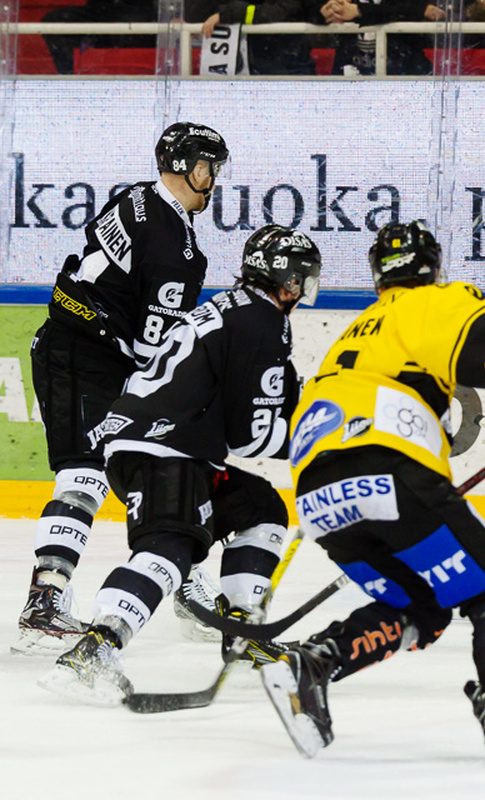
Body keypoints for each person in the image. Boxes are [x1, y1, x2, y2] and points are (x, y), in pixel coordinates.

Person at [259, 221, 485, 765]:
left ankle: (315, 662)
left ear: (378, 277)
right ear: (433, 269)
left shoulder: (358, 331)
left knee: (424, 605)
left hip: (319, 495)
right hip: (387, 474)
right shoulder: (431, 301)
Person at [38, 225, 321, 705]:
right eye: (303, 279)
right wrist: (315, 446)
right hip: (165, 447)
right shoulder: (261, 322)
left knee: (260, 509)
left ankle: (242, 629)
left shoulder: (236, 309)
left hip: (157, 444)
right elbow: (249, 436)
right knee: (171, 547)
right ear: (290, 281)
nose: (303, 290)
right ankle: (96, 647)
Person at [15, 122, 229, 656]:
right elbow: (155, 346)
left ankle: (181, 581)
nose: (212, 180)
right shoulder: (176, 250)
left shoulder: (135, 197)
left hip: (70, 344)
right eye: (206, 168)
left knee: (149, 462)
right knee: (92, 472)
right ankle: (44, 601)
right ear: (182, 168)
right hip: (88, 357)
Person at [189, 0, 317, 75]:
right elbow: (195, 16)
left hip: (285, 66)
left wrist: (232, 13)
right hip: (226, 70)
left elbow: (279, 12)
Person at [317, 0, 444, 75]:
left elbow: (425, 10)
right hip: (350, 77)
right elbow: (308, 10)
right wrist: (326, 10)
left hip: (406, 77)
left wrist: (359, 11)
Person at [41, 0, 157, 75]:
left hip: (137, 8)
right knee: (53, 22)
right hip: (101, 7)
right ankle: (72, 77)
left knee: (129, 31)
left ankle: (130, 82)